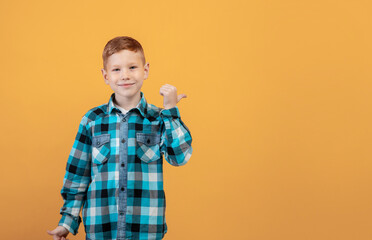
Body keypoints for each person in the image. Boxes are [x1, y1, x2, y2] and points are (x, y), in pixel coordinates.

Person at [47, 36, 193, 240]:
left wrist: (170, 110)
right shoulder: (91, 121)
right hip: (102, 230)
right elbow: (77, 176)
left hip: (145, 231)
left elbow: (180, 157)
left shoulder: (159, 119)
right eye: (116, 69)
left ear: (146, 70)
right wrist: (67, 221)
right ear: (105, 75)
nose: (125, 75)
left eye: (132, 67)